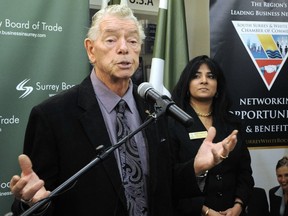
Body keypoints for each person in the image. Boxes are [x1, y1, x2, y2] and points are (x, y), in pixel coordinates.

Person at [10, 6, 238, 216]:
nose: (123, 49)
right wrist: (30, 203)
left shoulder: (155, 106)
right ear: (91, 50)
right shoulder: (53, 115)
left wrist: (196, 167)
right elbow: (39, 194)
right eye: (111, 40)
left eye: (132, 41)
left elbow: (164, 185)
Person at [169, 55, 254, 216]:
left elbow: (245, 173)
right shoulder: (171, 124)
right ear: (187, 85)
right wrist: (205, 211)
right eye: (196, 76)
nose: (204, 81)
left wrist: (238, 205)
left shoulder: (233, 123)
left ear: (218, 86)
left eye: (210, 76)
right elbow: (170, 178)